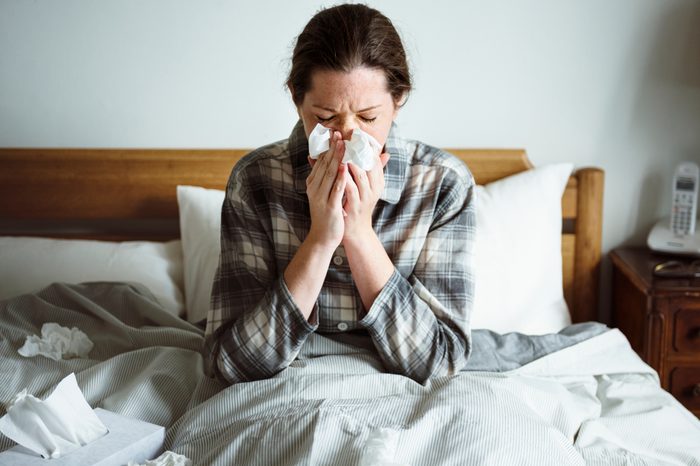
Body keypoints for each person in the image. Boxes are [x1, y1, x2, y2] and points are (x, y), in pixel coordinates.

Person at [205, 3, 475, 384]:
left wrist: (360, 234)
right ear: (297, 100)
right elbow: (230, 364)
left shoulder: (442, 185)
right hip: (284, 393)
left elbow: (440, 363)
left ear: (398, 101)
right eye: (326, 118)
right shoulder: (256, 181)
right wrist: (320, 240)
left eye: (368, 118)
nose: (346, 137)